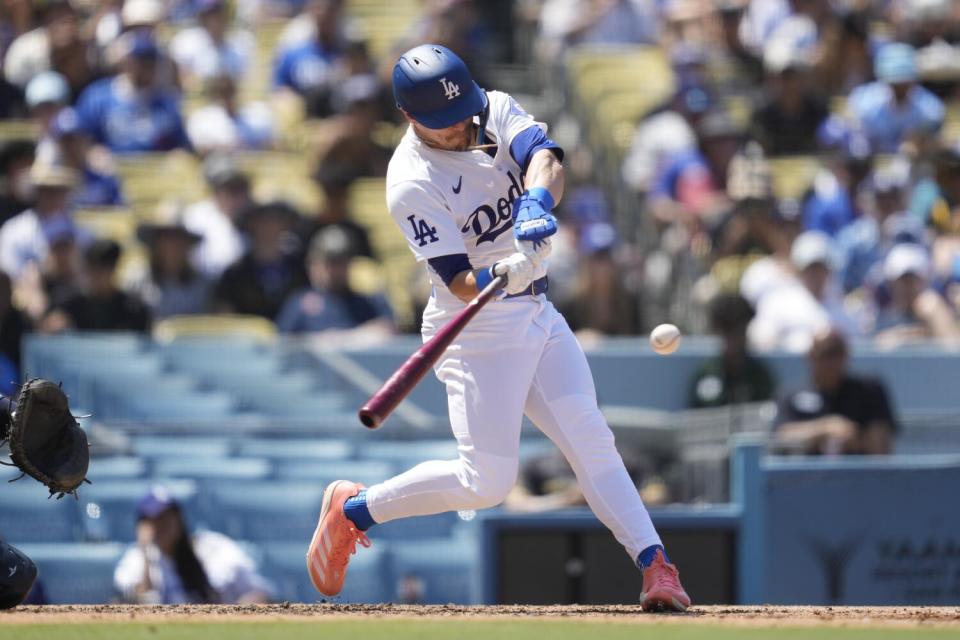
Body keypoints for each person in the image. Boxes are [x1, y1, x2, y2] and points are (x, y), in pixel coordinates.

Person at [306, 44, 690, 612]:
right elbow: (459, 281)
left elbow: (548, 160)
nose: (461, 128)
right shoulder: (410, 180)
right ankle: (354, 510)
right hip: (474, 327)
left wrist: (537, 199)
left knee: (590, 437)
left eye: (463, 113)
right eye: (444, 123)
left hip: (537, 311)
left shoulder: (494, 109)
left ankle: (657, 566)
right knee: (485, 483)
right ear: (411, 118)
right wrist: (504, 271)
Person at [114, 487, 273, 604]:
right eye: (154, 520)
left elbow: (260, 592)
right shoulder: (136, 559)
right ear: (142, 527)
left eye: (168, 516)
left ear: (180, 519)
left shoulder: (215, 547)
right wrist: (145, 553)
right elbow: (136, 603)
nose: (162, 525)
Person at [773, 328, 897, 455]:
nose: (830, 362)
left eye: (836, 353)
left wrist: (856, 441)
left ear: (846, 355)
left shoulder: (869, 391)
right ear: (809, 356)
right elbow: (781, 439)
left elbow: (881, 450)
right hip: (805, 472)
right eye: (824, 354)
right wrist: (825, 429)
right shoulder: (791, 394)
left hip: (857, 472)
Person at [75, 32, 191, 155]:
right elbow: (80, 139)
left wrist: (178, 154)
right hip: (109, 170)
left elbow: (180, 144)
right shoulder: (98, 97)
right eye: (141, 62)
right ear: (126, 62)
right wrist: (93, 152)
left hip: (154, 170)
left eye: (151, 63)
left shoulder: (166, 103)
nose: (147, 68)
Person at [748, 230, 859, 352]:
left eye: (820, 268)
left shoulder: (843, 307)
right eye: (810, 268)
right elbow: (760, 337)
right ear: (799, 269)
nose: (816, 274)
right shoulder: (778, 302)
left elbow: (855, 343)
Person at [276, 226, 392, 335]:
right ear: (313, 264)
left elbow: (389, 331)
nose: (336, 269)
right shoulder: (299, 304)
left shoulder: (368, 303)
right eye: (330, 262)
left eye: (342, 262)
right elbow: (283, 345)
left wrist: (344, 340)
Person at [213, 200, 307, 319]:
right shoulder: (234, 273)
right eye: (263, 220)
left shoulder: (300, 267)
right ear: (250, 224)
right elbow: (225, 317)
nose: (269, 227)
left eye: (276, 220)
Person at [846, 42, 944, 154]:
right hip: (870, 165)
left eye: (905, 82)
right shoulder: (863, 102)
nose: (900, 88)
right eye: (895, 83)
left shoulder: (930, 109)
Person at [689, 293, 775, 409]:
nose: (732, 339)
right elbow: (695, 416)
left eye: (737, 330)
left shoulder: (759, 375)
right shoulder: (707, 373)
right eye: (726, 330)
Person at [0, 161, 81, 282]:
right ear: (36, 192)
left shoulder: (81, 230)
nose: (53, 196)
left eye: (59, 190)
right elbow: (9, 272)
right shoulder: (14, 230)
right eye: (46, 190)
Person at [129, 203, 211, 320]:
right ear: (155, 243)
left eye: (177, 237)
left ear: (187, 243)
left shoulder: (202, 285)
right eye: (165, 237)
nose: (172, 245)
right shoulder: (137, 281)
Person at [50, 239, 151, 332]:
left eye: (103, 269)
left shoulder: (133, 309)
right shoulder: (71, 304)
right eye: (93, 269)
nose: (97, 276)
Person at [872, 243, 960, 348]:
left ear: (925, 281)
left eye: (913, 280)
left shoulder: (934, 309)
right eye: (902, 280)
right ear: (891, 283)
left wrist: (936, 314)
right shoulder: (881, 319)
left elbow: (954, 350)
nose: (907, 287)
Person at [183, 154, 252, 278]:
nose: (234, 196)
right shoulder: (196, 216)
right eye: (227, 189)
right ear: (215, 191)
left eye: (239, 188)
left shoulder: (255, 216)